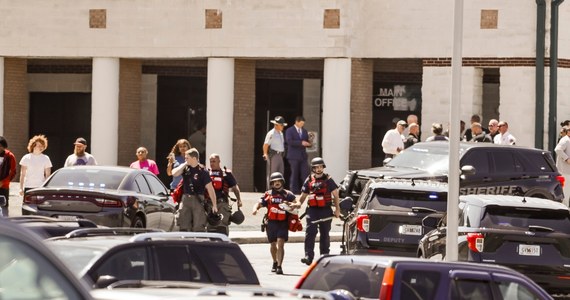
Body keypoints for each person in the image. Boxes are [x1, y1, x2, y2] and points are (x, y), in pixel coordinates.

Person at [291, 157, 340, 266]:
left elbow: (336, 195)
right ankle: (308, 256)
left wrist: (337, 209)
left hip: (326, 211)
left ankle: (325, 257)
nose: (319, 169)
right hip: (312, 211)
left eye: (320, 167)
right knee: (310, 233)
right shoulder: (309, 180)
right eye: (316, 167)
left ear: (323, 167)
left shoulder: (328, 179)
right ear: (313, 168)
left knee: (325, 234)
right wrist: (297, 204)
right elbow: (303, 196)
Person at [252, 172, 295, 275]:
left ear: (282, 182)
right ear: (271, 183)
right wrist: (255, 209)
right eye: (274, 181)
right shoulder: (268, 194)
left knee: (281, 243)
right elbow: (259, 203)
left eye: (278, 181)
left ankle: (279, 266)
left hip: (283, 223)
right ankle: (275, 262)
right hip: (271, 223)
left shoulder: (288, 194)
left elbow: (296, 203)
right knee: (273, 244)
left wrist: (292, 205)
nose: (276, 183)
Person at [172, 148, 218, 232]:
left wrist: (214, 205)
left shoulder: (203, 171)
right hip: (185, 199)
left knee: (198, 226)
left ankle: (198, 243)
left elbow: (210, 189)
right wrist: (185, 164)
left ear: (194, 158)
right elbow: (174, 173)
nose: (185, 159)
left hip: (198, 200)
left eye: (187, 158)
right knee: (183, 225)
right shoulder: (185, 169)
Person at [206, 153, 243, 235]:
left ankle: (223, 244)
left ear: (219, 161)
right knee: (210, 226)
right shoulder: (206, 173)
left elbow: (235, 187)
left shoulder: (226, 173)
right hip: (209, 204)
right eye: (210, 161)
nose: (212, 163)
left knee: (222, 226)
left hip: (222, 203)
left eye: (214, 161)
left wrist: (239, 200)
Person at [285, 116, 311, 194]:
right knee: (294, 173)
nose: (302, 125)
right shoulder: (289, 130)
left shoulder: (305, 131)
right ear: (297, 122)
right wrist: (300, 143)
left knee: (305, 173)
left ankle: (306, 190)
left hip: (303, 156)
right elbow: (289, 141)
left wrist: (309, 143)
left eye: (303, 124)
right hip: (293, 156)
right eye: (301, 123)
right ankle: (294, 191)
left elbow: (306, 142)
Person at [263, 116, 287, 186]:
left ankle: (279, 190)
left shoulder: (281, 133)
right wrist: (265, 154)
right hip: (273, 155)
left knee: (280, 173)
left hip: (280, 155)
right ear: (276, 125)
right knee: (272, 173)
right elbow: (266, 145)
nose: (283, 127)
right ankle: (270, 190)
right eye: (281, 125)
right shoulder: (271, 133)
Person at [0, 136, 16, 212]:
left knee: (4, 207)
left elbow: (13, 172)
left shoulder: (10, 156)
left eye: (0, 146)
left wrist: (3, 182)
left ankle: (5, 223)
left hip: (4, 186)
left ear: (4, 146)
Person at [556, 126, 570, 206]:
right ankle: (565, 209)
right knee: (566, 191)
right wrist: (567, 159)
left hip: (568, 171)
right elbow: (558, 149)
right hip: (565, 171)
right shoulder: (565, 140)